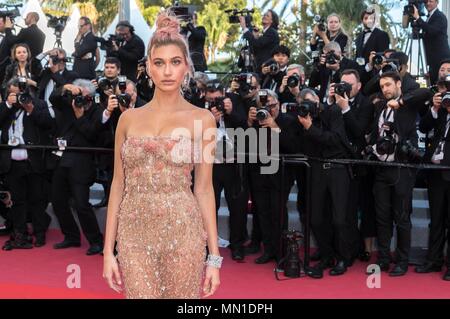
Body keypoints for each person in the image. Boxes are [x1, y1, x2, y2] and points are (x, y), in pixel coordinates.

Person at [102, 12, 221, 299]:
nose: (167, 71)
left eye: (175, 62)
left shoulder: (203, 119)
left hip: (184, 232)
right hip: (133, 233)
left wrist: (214, 258)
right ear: (148, 69)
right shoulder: (128, 119)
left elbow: (204, 189)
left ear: (186, 69)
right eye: (159, 63)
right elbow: (118, 185)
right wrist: (108, 250)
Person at [412, 0, 450, 84]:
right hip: (432, 58)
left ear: (437, 2)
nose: (428, 4)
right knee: (433, 82)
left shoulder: (440, 16)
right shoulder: (429, 17)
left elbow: (432, 31)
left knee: (441, 82)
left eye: (431, 1)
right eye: (425, 2)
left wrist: (418, 18)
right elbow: (429, 35)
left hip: (441, 57)